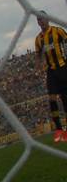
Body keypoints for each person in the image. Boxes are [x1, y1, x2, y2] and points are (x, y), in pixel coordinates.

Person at [34, 10, 67, 143]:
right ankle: (58, 130)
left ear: (47, 19)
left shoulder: (57, 31)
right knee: (52, 99)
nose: (40, 22)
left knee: (65, 98)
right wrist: (38, 65)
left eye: (42, 19)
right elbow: (38, 54)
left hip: (63, 68)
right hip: (51, 72)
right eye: (38, 20)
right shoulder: (38, 39)